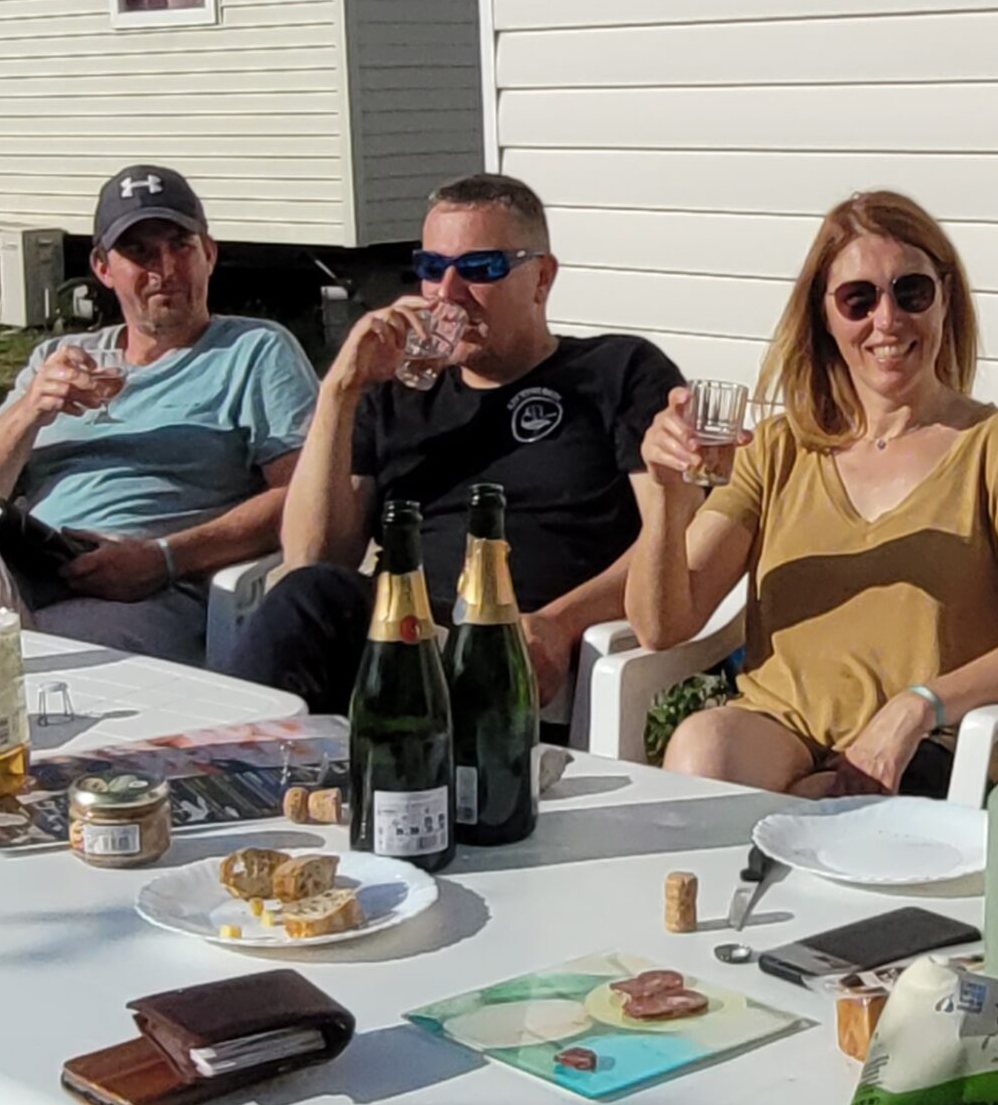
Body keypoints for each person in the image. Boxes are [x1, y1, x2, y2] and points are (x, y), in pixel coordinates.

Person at [627, 190, 998, 796]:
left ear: (945, 298)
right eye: (858, 299)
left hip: (930, 748)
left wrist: (916, 706)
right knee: (701, 750)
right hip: (779, 732)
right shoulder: (779, 447)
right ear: (824, 316)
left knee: (800, 811)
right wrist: (666, 496)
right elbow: (661, 626)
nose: (887, 320)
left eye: (911, 291)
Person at [224, 173, 680, 712]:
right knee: (308, 598)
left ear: (541, 278)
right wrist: (340, 390)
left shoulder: (617, 372)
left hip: (520, 638)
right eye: (431, 268)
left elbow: (675, 535)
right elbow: (313, 557)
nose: (448, 292)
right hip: (400, 634)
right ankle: (237, 758)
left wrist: (562, 621)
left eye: (479, 268)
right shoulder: (393, 393)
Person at [0, 165, 315, 663]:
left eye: (180, 246)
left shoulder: (255, 350)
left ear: (209, 254)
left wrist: (163, 559)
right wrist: (31, 409)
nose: (165, 269)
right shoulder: (58, 358)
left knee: (26, 650)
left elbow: (303, 496)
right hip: (28, 564)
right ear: (102, 268)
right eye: (139, 252)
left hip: (142, 590)